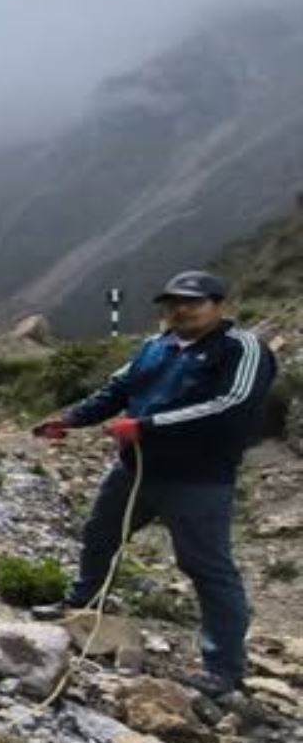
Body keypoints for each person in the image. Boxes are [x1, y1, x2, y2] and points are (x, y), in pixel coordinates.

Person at [32, 270, 277, 698]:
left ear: (219, 306)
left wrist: (147, 426)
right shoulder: (155, 347)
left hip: (198, 479)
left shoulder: (242, 348)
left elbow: (231, 405)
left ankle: (223, 668)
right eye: (173, 303)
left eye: (193, 302)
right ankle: (83, 605)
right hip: (136, 470)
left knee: (207, 567)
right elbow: (119, 389)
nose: (181, 310)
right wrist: (69, 419)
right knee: (100, 534)